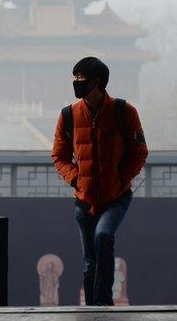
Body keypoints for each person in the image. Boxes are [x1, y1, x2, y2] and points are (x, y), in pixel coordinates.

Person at [51, 56, 149, 306]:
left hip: (116, 197)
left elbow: (139, 152)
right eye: (75, 80)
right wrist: (76, 179)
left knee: (103, 235)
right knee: (89, 262)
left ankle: (104, 305)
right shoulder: (69, 116)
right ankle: (93, 310)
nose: (77, 85)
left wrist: (121, 178)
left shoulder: (124, 112)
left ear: (97, 83)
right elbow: (59, 156)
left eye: (81, 81)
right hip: (84, 199)